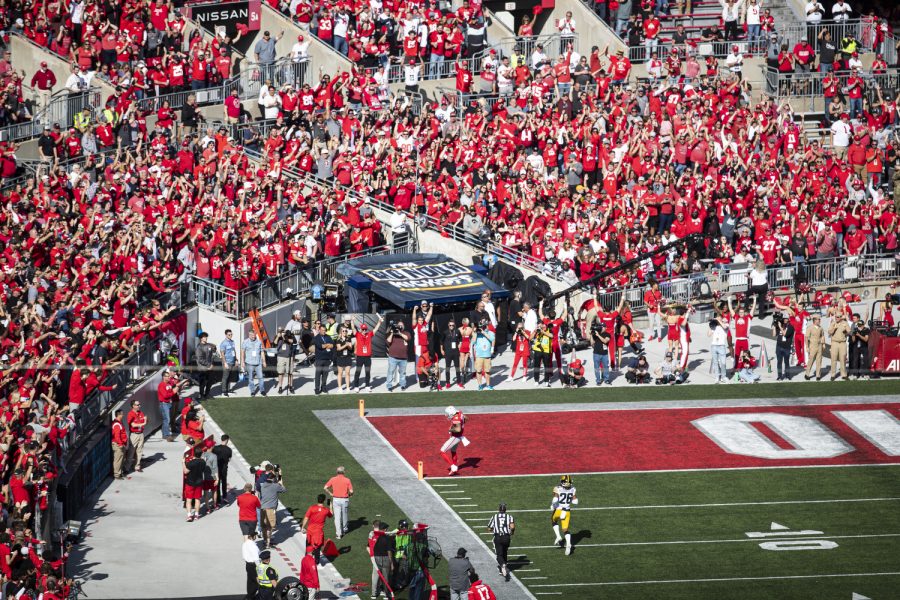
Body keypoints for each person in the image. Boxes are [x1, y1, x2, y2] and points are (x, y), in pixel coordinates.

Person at [352, 316, 382, 392]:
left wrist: (379, 322)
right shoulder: (358, 334)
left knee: (367, 372)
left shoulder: (369, 335)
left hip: (367, 357)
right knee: (358, 372)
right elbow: (353, 329)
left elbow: (375, 329)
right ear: (361, 329)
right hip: (359, 357)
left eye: (365, 329)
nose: (364, 330)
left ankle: (367, 386)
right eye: (363, 329)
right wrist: (352, 321)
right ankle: (356, 386)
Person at [259, 464, 286, 549]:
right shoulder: (275, 486)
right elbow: (284, 490)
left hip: (262, 508)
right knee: (269, 527)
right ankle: (268, 543)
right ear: (273, 479)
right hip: (270, 509)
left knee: (264, 526)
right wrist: (281, 482)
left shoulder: (263, 485)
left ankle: (265, 540)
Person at [301, 494, 334, 560]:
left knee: (308, 546)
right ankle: (316, 562)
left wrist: (302, 527)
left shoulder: (312, 508)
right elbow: (331, 515)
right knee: (317, 548)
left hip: (310, 531)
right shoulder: (326, 510)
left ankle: (306, 559)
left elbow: (306, 518)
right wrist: (330, 506)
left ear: (317, 499)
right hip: (318, 533)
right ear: (324, 501)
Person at [551, 475, 578, 556]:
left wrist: (553, 505)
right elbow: (575, 501)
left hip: (559, 510)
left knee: (553, 521)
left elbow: (555, 499)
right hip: (567, 511)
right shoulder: (573, 489)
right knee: (565, 529)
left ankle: (558, 536)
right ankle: (568, 543)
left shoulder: (557, 488)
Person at [324, 466, 353, 539]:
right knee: (345, 515)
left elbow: (325, 488)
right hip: (344, 500)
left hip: (336, 499)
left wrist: (331, 494)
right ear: (344, 472)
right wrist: (350, 495)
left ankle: (338, 534)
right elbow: (351, 491)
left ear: (337, 472)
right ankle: (345, 529)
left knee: (337, 517)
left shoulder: (333, 479)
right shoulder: (347, 480)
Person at [487, 503, 515, 578]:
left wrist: (494, 529)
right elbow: (512, 527)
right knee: (505, 552)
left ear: (499, 510)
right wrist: (511, 532)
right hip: (506, 537)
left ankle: (502, 565)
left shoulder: (494, 516)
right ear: (505, 510)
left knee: (499, 554)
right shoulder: (509, 516)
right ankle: (503, 569)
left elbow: (489, 528)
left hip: (498, 537)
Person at [441, 405, 469, 475]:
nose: (447, 415)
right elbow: (466, 418)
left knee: (442, 451)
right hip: (458, 436)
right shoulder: (459, 413)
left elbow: (458, 429)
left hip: (456, 437)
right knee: (453, 451)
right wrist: (461, 423)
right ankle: (455, 468)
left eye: (447, 414)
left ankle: (453, 467)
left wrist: (451, 429)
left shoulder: (456, 418)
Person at [371, 521, 393, 598]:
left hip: (376, 558)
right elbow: (389, 551)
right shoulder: (387, 538)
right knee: (386, 577)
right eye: (386, 529)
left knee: (375, 577)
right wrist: (392, 563)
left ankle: (374, 594)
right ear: (384, 529)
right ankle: (386, 595)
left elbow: (369, 547)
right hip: (385, 559)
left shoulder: (373, 537)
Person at [386, 321, 410, 392]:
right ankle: (389, 386)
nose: (400, 326)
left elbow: (407, 338)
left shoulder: (406, 333)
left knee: (403, 373)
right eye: (399, 325)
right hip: (393, 357)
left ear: (403, 326)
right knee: (390, 372)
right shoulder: (393, 333)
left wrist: (400, 333)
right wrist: (393, 333)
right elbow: (388, 341)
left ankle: (402, 385)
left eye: (401, 325)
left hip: (403, 358)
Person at [241, 330, 267, 396]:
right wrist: (242, 362)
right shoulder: (245, 342)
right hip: (249, 363)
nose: (253, 336)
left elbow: (262, 352)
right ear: (249, 335)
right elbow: (243, 352)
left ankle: (262, 390)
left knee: (260, 377)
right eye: (252, 335)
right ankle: (252, 391)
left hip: (258, 363)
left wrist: (264, 361)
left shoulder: (259, 342)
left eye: (254, 335)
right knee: (251, 378)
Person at [183, 446, 206, 522]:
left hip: (190, 483)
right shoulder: (203, 462)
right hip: (199, 483)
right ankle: (196, 514)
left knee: (189, 500)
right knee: (197, 499)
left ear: (194, 454)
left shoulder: (190, 463)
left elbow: (186, 471)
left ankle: (189, 515)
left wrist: (183, 463)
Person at [312, 323, 335, 395]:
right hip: (319, 359)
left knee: (325, 374)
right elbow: (320, 346)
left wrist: (326, 345)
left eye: (325, 330)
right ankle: (317, 388)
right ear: (319, 330)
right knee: (318, 375)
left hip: (327, 359)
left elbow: (332, 345)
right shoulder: (316, 338)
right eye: (322, 330)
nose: (324, 332)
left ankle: (324, 387)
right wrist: (327, 345)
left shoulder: (328, 337)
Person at [441, 319, 464, 387]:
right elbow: (441, 342)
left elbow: (460, 338)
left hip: (456, 352)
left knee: (457, 367)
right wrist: (442, 349)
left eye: (452, 325)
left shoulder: (457, 331)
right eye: (450, 325)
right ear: (448, 325)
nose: (451, 326)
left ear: (454, 325)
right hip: (448, 353)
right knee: (447, 368)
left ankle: (459, 381)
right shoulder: (445, 332)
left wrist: (460, 343)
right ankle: (448, 382)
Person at [125, 400, 147, 473]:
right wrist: (143, 423)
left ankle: (137, 466)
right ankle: (127, 468)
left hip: (141, 434)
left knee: (139, 451)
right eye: (137, 405)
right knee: (131, 451)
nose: (139, 406)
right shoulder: (130, 414)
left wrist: (145, 421)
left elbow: (144, 420)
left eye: (139, 404)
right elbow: (133, 425)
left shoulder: (140, 412)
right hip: (134, 435)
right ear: (133, 406)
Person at [472, 321, 495, 390]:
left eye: (483, 326)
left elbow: (492, 339)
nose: (481, 327)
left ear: (486, 326)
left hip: (487, 354)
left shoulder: (490, 332)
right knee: (478, 371)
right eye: (480, 326)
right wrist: (475, 333)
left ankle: (488, 385)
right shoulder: (476, 333)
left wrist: (483, 332)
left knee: (487, 371)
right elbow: (473, 342)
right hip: (479, 355)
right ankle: (480, 385)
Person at [772, 313, 795, 381]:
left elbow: (785, 334)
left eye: (786, 318)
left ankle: (787, 375)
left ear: (788, 319)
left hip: (786, 347)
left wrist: (779, 327)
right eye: (784, 318)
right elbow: (774, 334)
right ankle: (779, 376)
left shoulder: (791, 327)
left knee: (786, 362)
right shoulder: (781, 325)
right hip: (779, 346)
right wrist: (774, 326)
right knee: (779, 362)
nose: (785, 320)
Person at [195, 332, 217, 400]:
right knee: (203, 382)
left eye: (206, 337)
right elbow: (200, 359)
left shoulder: (208, 345)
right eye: (204, 337)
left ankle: (207, 394)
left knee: (210, 381)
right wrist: (209, 365)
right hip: (203, 368)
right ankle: (201, 395)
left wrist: (214, 347)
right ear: (201, 338)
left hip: (210, 367)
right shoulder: (199, 347)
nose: (206, 338)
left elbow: (213, 352)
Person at [828, 312, 850, 380]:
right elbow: (829, 332)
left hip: (842, 343)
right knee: (833, 359)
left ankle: (844, 374)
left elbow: (849, 332)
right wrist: (834, 328)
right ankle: (833, 375)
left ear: (841, 317)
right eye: (836, 317)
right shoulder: (833, 323)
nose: (836, 318)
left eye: (838, 317)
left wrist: (845, 331)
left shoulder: (845, 323)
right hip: (834, 343)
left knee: (843, 359)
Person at [274, 328, 296, 394]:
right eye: (280, 331)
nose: (282, 333)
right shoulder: (278, 337)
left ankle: (290, 386)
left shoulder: (289, 336)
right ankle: (280, 387)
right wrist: (278, 337)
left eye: (283, 331)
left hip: (289, 357)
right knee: (281, 372)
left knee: (290, 372)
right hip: (280, 357)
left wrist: (284, 337)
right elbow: (275, 343)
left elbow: (293, 341)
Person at [531, 322, 554, 387]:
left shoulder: (549, 330)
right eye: (542, 326)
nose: (543, 327)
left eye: (544, 326)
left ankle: (546, 381)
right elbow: (530, 338)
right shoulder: (538, 330)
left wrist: (542, 332)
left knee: (546, 366)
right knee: (536, 366)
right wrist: (535, 331)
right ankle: (536, 380)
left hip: (546, 351)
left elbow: (551, 336)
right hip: (538, 350)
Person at [804, 315, 826, 381]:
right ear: (814, 320)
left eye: (819, 319)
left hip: (819, 346)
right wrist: (807, 347)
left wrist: (823, 344)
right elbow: (806, 338)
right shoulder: (810, 328)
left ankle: (818, 375)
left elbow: (822, 336)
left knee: (819, 361)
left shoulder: (820, 328)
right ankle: (807, 374)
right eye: (818, 320)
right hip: (812, 345)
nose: (819, 321)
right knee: (811, 360)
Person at [849, 313, 870, 378]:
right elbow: (853, 340)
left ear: (863, 325)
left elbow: (866, 339)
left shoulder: (866, 330)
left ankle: (866, 374)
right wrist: (853, 335)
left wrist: (859, 335)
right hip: (856, 346)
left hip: (864, 346)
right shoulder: (856, 330)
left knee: (866, 360)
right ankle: (856, 374)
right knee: (855, 360)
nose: (860, 326)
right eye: (859, 325)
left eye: (861, 325)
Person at [212, 435, 233, 504]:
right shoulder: (229, 450)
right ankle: (224, 497)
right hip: (224, 469)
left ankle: (218, 499)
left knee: (217, 483)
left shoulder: (215, 448)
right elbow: (229, 459)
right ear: (227, 440)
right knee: (224, 483)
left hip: (216, 469)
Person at [334, 326, 355, 393]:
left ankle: (348, 387)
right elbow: (338, 348)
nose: (345, 332)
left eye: (346, 331)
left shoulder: (348, 338)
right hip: (340, 357)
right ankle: (340, 388)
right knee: (340, 373)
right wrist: (345, 345)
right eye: (343, 331)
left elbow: (351, 348)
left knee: (347, 373)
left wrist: (348, 345)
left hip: (347, 357)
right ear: (341, 331)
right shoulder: (338, 339)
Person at [709, 318, 729, 383]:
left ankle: (724, 377)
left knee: (723, 363)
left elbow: (724, 326)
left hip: (721, 346)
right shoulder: (715, 326)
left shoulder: (727, 325)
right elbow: (708, 335)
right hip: (714, 346)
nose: (723, 321)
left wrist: (718, 320)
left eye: (723, 320)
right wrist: (710, 325)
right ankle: (717, 377)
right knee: (715, 363)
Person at [242, 531, 261, 600]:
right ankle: (254, 596)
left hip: (248, 565)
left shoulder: (245, 543)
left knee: (250, 581)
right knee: (258, 582)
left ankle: (249, 596)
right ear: (253, 536)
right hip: (254, 566)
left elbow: (244, 556)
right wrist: (260, 568)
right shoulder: (253, 546)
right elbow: (256, 558)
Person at [219, 329, 238, 397]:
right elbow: (222, 354)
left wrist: (236, 360)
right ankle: (224, 390)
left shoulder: (232, 342)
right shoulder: (223, 343)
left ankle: (228, 389)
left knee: (229, 377)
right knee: (225, 377)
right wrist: (225, 363)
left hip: (232, 362)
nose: (230, 335)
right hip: (227, 362)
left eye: (231, 334)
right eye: (229, 334)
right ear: (226, 335)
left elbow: (234, 351)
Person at [111, 409, 127, 480]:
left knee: (121, 459)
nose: (123, 415)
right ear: (119, 415)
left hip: (120, 444)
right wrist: (120, 444)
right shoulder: (117, 424)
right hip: (118, 445)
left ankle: (119, 473)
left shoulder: (118, 423)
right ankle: (117, 475)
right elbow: (117, 436)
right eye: (122, 414)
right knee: (118, 460)